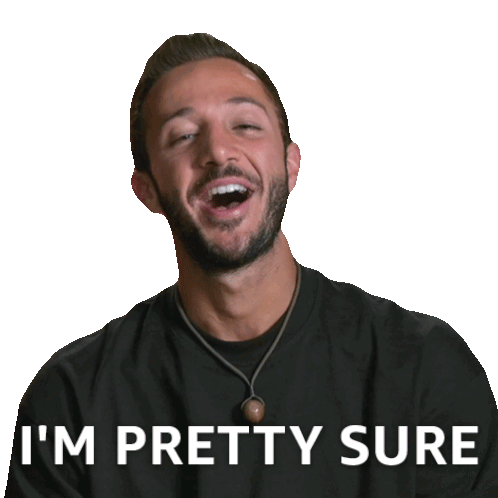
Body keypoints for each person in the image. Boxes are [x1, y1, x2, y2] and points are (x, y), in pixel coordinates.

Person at [5, 33, 497, 497]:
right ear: (147, 189)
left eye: (245, 125)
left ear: (291, 163)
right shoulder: (71, 401)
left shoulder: (426, 368)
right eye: (183, 135)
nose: (218, 150)